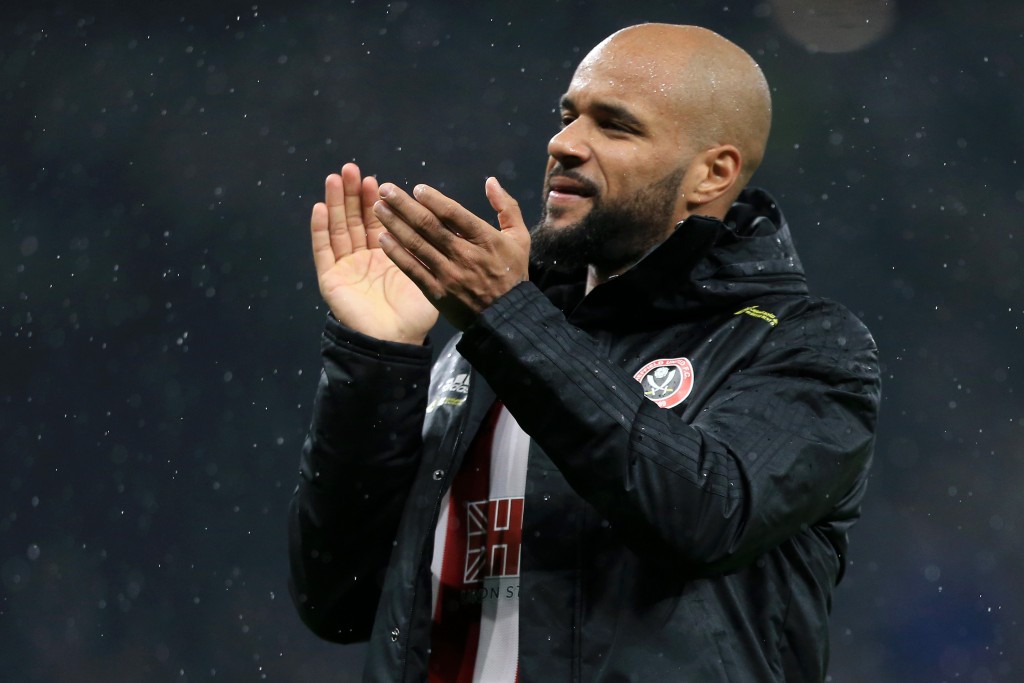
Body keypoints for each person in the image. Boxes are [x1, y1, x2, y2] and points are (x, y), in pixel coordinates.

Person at [288, 23, 881, 683]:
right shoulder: (481, 344)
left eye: (615, 126)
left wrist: (509, 320)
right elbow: (338, 599)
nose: (564, 144)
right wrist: (377, 358)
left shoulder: (803, 343)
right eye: (568, 116)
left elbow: (707, 517)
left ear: (712, 172)